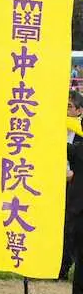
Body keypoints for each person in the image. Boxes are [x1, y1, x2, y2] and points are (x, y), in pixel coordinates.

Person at [63, 91, 83, 281]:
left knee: (72, 229)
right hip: (52, 186)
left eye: (69, 106)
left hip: (75, 189)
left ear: (79, 111)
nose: (65, 110)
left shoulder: (81, 135)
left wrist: (73, 175)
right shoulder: (55, 131)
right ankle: (58, 270)